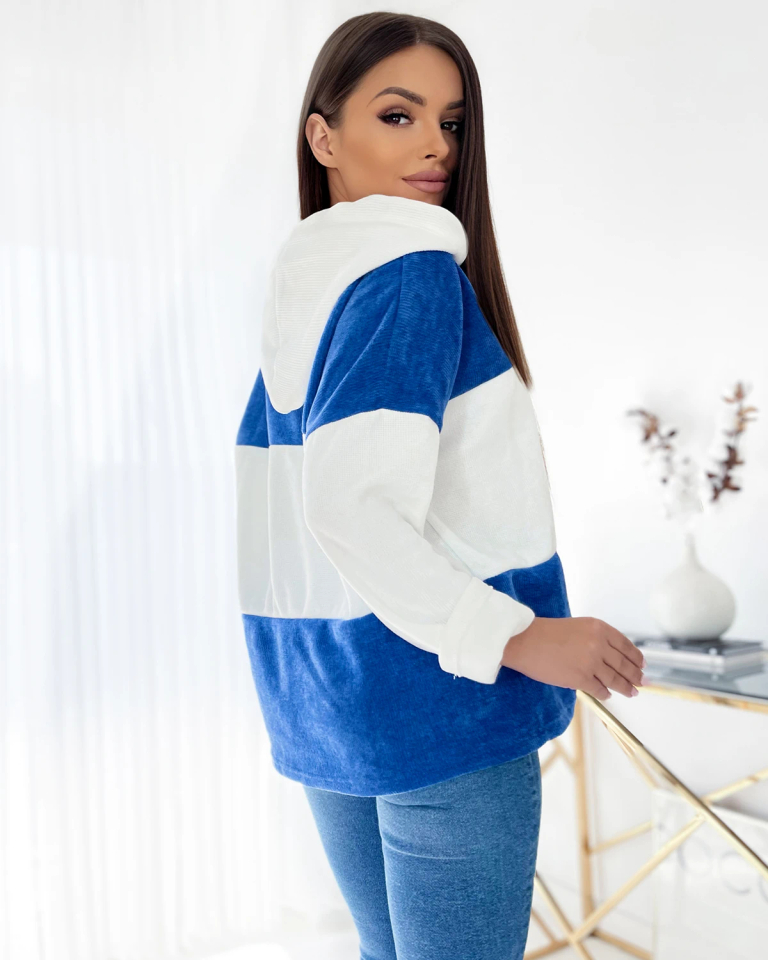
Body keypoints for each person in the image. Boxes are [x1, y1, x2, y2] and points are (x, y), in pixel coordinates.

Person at [235, 12, 647, 960]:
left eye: (452, 123)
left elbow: (306, 514)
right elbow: (349, 509)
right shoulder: (408, 273)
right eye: (399, 115)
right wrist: (519, 635)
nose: (436, 146)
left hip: (327, 703)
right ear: (322, 135)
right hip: (441, 707)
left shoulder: (307, 292)